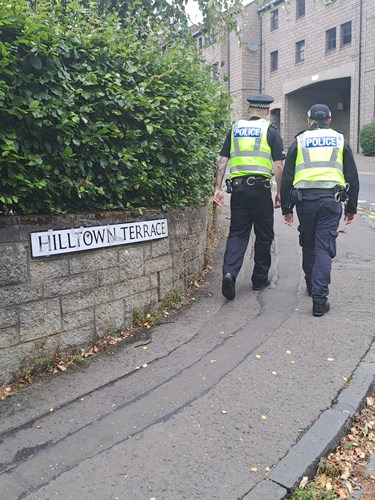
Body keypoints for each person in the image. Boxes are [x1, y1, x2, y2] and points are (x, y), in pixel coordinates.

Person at [281, 103, 359, 316]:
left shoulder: (299, 140)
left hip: (305, 202)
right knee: (324, 248)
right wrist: (351, 207)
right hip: (330, 202)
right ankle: (319, 299)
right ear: (329, 120)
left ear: (309, 121)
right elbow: (352, 176)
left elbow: (287, 176)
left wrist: (286, 208)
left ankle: (310, 284)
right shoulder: (340, 139)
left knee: (308, 245)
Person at [213, 94, 285, 300]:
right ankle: (259, 279)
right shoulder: (270, 130)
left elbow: (222, 162)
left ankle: (229, 273)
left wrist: (218, 188)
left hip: (238, 190)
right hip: (261, 190)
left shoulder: (235, 128)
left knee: (238, 233)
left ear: (249, 110)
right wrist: (279, 192)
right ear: (267, 112)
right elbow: (278, 166)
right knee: (264, 234)